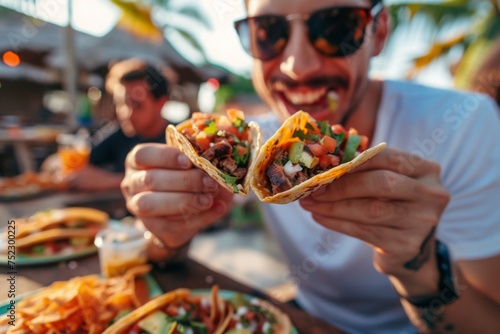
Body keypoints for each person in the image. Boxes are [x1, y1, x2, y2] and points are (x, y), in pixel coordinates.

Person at [120, 0, 500, 333]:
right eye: (267, 32)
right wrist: (165, 232)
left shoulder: (463, 122)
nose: (297, 66)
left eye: (335, 27)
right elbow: (158, 253)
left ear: (379, 32)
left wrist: (420, 267)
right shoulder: (254, 145)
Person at [60, 58, 172, 191]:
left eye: (136, 104)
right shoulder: (119, 133)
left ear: (161, 103)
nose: (125, 113)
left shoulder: (178, 142)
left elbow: (170, 184)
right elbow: (82, 158)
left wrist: (111, 181)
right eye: (120, 103)